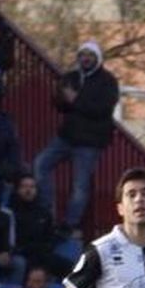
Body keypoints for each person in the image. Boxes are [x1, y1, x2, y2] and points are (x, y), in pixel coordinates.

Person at [34, 40, 119, 236]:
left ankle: (69, 224)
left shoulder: (107, 81)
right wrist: (62, 96)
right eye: (83, 55)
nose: (86, 59)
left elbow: (102, 109)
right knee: (40, 164)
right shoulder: (71, 77)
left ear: (97, 58)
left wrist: (76, 100)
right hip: (67, 136)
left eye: (90, 55)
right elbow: (59, 104)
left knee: (80, 185)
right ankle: (47, 212)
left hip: (90, 141)